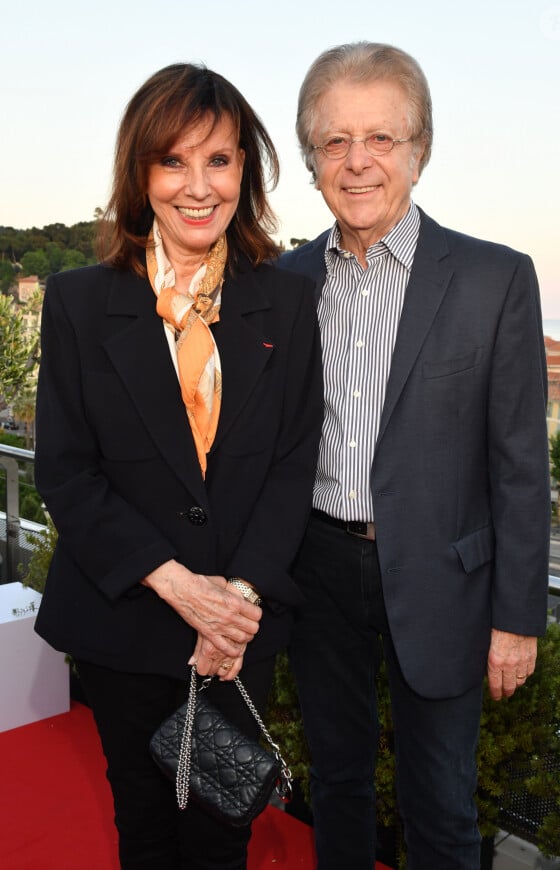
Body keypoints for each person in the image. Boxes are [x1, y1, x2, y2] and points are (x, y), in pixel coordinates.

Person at [34, 63, 322, 870]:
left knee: (222, 832)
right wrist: (178, 586)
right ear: (140, 173)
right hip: (123, 620)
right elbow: (65, 468)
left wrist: (234, 600)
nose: (198, 186)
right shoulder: (79, 302)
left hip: (239, 627)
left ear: (247, 173)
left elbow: (294, 461)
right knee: (145, 825)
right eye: (173, 160)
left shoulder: (288, 304)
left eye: (220, 160)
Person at [278, 42, 551, 870]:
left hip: (445, 579)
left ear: (420, 150)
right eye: (334, 142)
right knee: (336, 784)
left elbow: (519, 465)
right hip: (318, 572)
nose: (357, 163)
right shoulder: (286, 282)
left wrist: (516, 618)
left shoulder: (493, 279)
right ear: (311, 159)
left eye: (382, 139)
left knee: (440, 806)